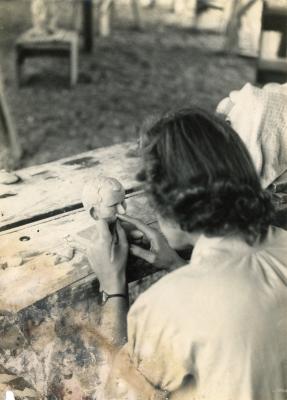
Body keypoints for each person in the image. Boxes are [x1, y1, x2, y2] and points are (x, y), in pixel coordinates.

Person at [86, 107, 287, 400]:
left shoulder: (167, 307)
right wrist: (180, 266)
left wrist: (113, 288)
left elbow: (112, 393)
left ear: (169, 205)